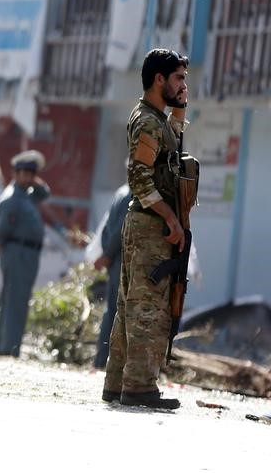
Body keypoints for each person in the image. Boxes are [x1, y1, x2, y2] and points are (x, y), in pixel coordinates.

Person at [103, 48, 190, 410]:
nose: (184, 85)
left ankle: (118, 383)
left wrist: (180, 115)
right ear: (159, 79)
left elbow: (161, 160)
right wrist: (171, 218)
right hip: (151, 224)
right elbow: (139, 177)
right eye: (179, 78)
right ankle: (139, 386)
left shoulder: (155, 119)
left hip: (147, 223)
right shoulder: (149, 121)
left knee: (130, 303)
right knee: (148, 306)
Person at [0, 149, 50, 357]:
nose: (28, 178)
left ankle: (8, 345)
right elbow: (4, 230)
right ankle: (9, 348)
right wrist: (1, 244)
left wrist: (35, 182)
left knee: (18, 300)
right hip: (17, 251)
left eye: (31, 174)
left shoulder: (27, 194)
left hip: (27, 253)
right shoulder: (12, 198)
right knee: (14, 301)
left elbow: (45, 193)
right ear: (16, 173)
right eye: (24, 173)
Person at [92, 183, 132, 369]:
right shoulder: (131, 195)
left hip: (115, 258)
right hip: (121, 258)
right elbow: (119, 229)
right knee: (118, 312)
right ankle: (106, 360)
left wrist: (106, 252)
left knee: (112, 309)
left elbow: (108, 228)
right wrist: (107, 254)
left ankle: (103, 359)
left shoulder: (121, 191)